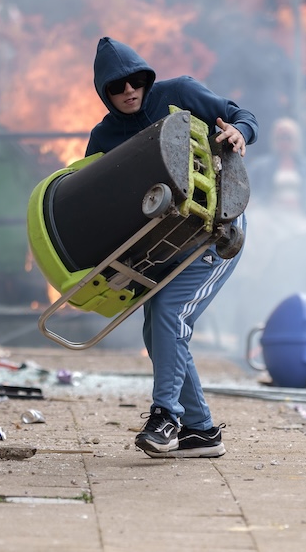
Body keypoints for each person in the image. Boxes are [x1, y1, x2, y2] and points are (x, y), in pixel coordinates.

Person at [85, 37, 257, 459]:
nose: (128, 91)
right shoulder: (103, 135)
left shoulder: (178, 92)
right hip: (162, 247)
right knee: (157, 329)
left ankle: (165, 416)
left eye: (135, 81)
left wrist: (240, 131)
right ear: (104, 92)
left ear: (146, 79)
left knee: (169, 315)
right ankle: (199, 431)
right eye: (116, 87)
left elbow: (240, 115)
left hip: (216, 234)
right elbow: (95, 200)